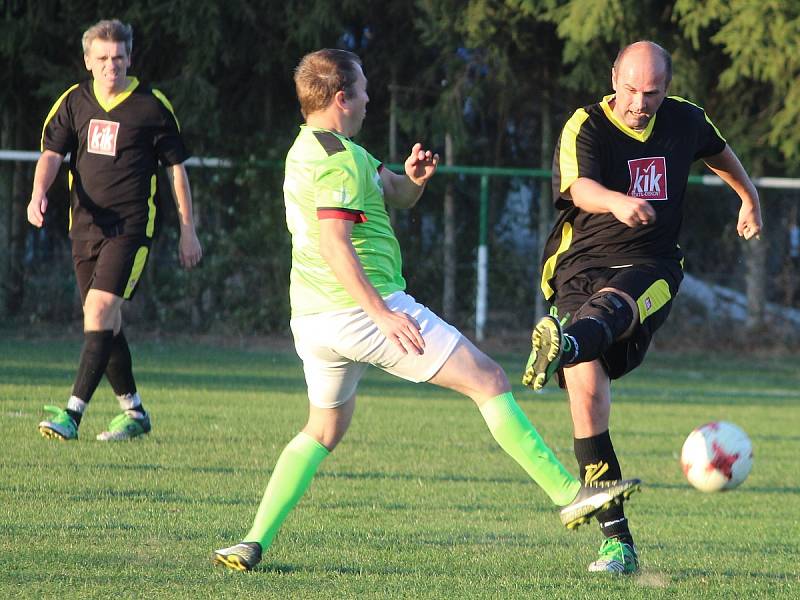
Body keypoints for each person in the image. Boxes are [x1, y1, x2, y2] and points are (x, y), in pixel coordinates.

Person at [212, 48, 641, 572]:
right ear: (342, 97)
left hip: (312, 318)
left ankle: (252, 540)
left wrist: (413, 178)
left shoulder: (320, 149)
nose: (370, 98)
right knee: (489, 380)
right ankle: (567, 493)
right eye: (364, 89)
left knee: (322, 429)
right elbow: (334, 244)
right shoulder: (338, 160)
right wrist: (382, 315)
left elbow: (395, 193)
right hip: (364, 310)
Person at [522, 41, 762, 574]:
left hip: (652, 264)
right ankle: (618, 545)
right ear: (614, 79)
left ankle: (566, 344)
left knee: (618, 306)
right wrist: (617, 200)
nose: (639, 102)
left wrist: (748, 196)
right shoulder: (585, 124)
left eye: (651, 92)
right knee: (587, 398)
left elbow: (718, 151)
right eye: (630, 89)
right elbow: (578, 187)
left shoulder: (684, 120)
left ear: (666, 88)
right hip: (577, 265)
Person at [28, 19, 202, 442]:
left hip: (131, 228)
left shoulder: (151, 106)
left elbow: (176, 172)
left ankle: (72, 413)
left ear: (130, 57)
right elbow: (52, 155)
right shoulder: (73, 102)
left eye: (119, 57)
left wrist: (187, 229)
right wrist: (38, 195)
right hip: (84, 227)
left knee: (100, 312)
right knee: (105, 321)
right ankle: (134, 411)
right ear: (88, 60)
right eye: (103, 58)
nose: (112, 65)